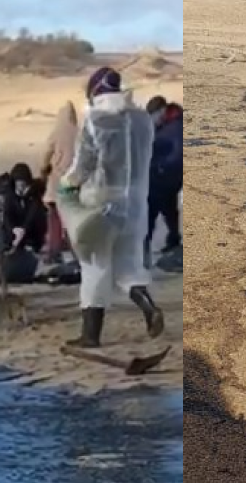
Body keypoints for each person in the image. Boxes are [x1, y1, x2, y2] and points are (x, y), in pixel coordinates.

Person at [57, 67, 162, 348]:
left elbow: (84, 164)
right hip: (137, 204)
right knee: (127, 263)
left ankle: (90, 335)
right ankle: (148, 306)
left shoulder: (96, 120)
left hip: (102, 202)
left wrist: (66, 185)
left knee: (95, 265)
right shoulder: (142, 119)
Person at [35, 101, 79, 272]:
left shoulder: (57, 133)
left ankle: (54, 250)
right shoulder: (79, 133)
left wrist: (42, 170)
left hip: (58, 179)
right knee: (71, 219)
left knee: (54, 218)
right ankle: (77, 251)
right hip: (74, 182)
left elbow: (47, 152)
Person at [145, 97, 183, 257]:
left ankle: (144, 247)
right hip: (168, 176)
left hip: (164, 176)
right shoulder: (170, 124)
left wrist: (161, 167)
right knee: (169, 209)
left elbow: (177, 153)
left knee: (151, 210)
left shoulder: (174, 126)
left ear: (161, 111)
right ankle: (173, 240)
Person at [1, 162, 47, 255]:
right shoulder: (10, 193)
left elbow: (33, 214)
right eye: (18, 184)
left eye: (23, 184)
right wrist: (14, 229)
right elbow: (7, 214)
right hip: (16, 228)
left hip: (31, 228)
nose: (21, 187)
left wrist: (23, 229)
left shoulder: (35, 192)